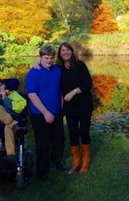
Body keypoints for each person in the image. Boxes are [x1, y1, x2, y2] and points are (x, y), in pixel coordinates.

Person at [25, 44, 65, 180]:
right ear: (40, 57)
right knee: (43, 143)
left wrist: (61, 106)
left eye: (51, 58)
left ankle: (57, 161)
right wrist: (45, 112)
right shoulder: (33, 73)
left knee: (59, 140)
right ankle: (42, 171)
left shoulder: (57, 70)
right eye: (46, 58)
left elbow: (60, 89)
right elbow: (32, 95)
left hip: (57, 111)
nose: (49, 61)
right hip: (40, 114)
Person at [57, 42, 94, 174]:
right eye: (62, 51)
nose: (65, 52)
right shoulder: (58, 68)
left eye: (67, 50)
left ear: (71, 52)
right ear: (60, 54)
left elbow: (88, 84)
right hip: (69, 108)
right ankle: (76, 163)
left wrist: (73, 92)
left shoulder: (80, 65)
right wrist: (36, 64)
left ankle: (86, 162)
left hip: (84, 104)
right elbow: (46, 67)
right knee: (72, 134)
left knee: (83, 132)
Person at [0, 76, 27, 164]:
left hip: (10, 120)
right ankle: (14, 126)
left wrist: (5, 99)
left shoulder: (13, 94)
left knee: (8, 127)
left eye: (1, 85)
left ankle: (11, 156)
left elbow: (20, 107)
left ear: (4, 86)